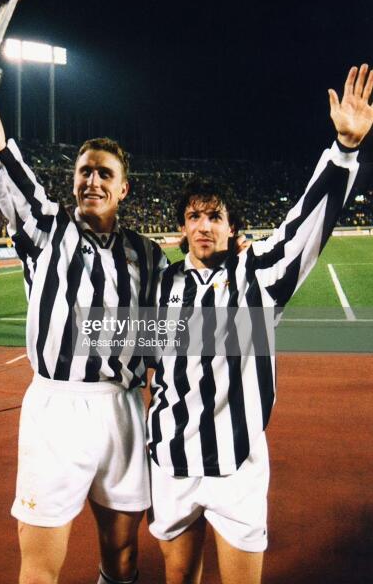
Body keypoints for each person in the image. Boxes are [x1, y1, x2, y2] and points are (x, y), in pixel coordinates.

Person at [0, 6, 168, 584]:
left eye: (105, 173)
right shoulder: (45, 229)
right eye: (85, 171)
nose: (92, 180)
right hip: (55, 408)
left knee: (123, 555)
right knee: (40, 563)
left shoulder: (149, 256)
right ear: (74, 180)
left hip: (122, 406)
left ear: (124, 188)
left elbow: (171, 334)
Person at [146, 64, 373, 584]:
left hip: (238, 466)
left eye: (216, 216)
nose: (205, 225)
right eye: (195, 217)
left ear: (232, 228)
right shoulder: (159, 287)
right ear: (181, 229)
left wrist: (344, 149)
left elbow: (305, 223)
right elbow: (142, 361)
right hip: (172, 462)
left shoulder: (259, 276)